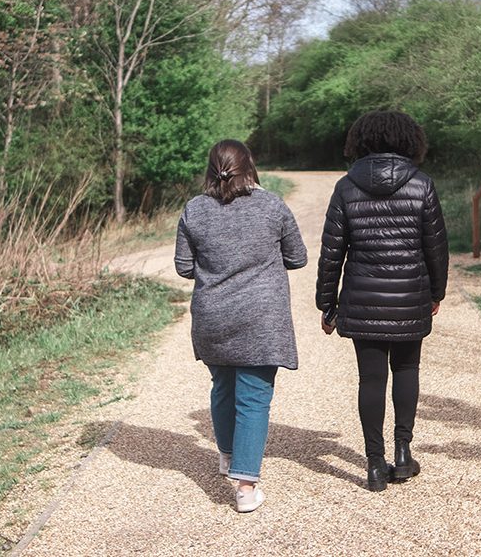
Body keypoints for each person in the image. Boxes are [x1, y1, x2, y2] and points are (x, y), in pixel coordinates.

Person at [315, 111, 449, 492]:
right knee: (407, 370)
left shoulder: (346, 187)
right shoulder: (422, 185)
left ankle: (375, 464)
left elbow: (331, 252)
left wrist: (327, 304)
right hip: (410, 297)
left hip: (363, 298)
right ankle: (403, 455)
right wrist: (436, 293)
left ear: (361, 141)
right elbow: (436, 248)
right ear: (410, 141)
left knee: (370, 379)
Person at [175, 139, 307, 512]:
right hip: (261, 318)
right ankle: (245, 488)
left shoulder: (194, 209)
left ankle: (227, 454)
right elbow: (297, 257)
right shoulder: (272, 206)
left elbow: (184, 267)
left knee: (223, 386)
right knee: (253, 399)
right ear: (250, 167)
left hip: (212, 316)